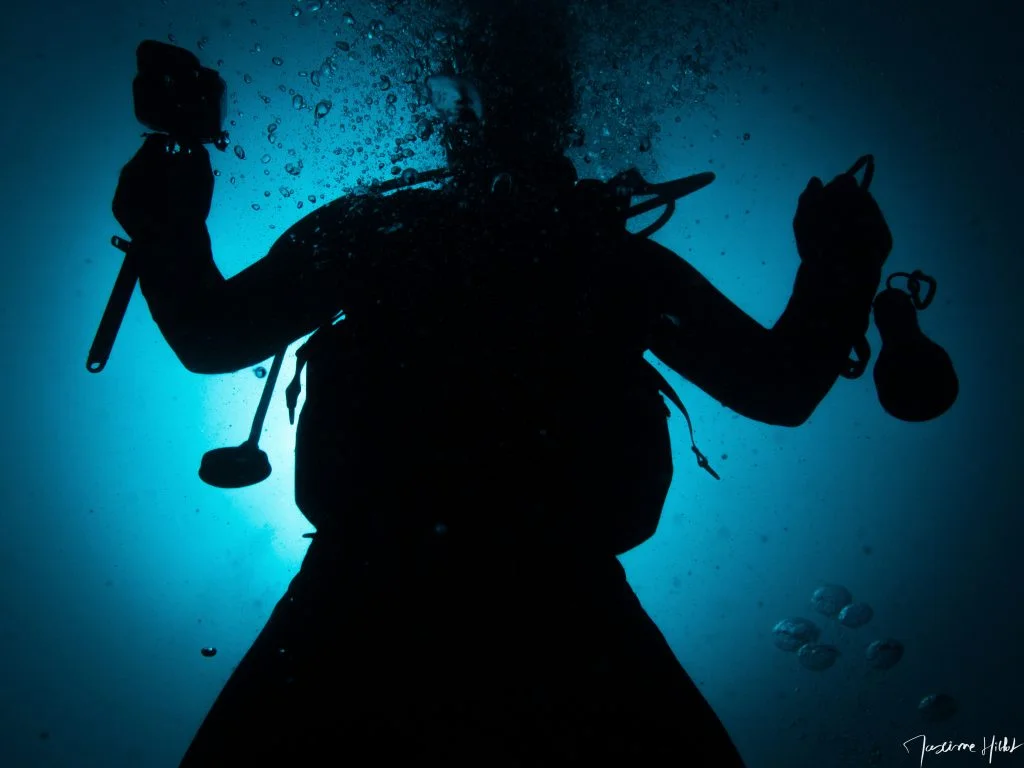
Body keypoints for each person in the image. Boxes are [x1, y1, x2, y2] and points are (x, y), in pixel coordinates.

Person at [112, 1, 892, 764]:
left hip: (366, 602)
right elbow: (777, 388)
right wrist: (839, 269)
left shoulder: (382, 234)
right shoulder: (600, 260)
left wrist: (169, 222)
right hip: (562, 617)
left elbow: (212, 336)